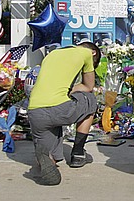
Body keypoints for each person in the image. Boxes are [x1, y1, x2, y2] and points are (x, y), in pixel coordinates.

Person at [27, 41, 101, 185]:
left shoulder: (52, 54)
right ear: (93, 53)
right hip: (60, 109)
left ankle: (48, 160)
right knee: (90, 99)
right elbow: (88, 86)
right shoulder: (86, 53)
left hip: (35, 112)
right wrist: (70, 91)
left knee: (50, 151)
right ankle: (78, 153)